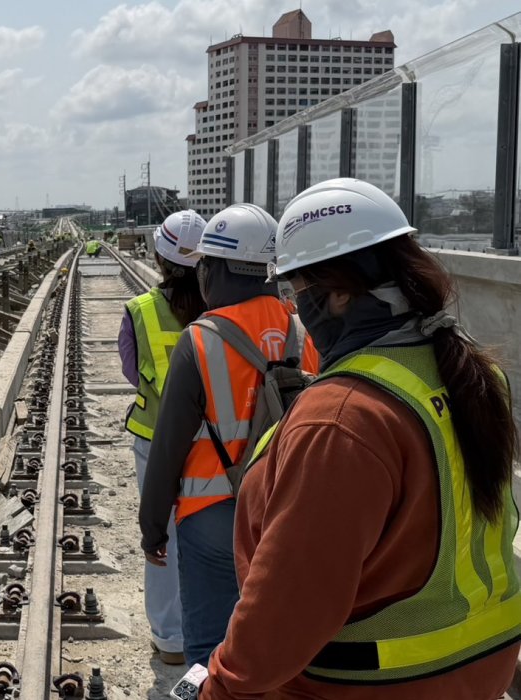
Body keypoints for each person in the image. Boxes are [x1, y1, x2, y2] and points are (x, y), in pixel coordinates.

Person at [201, 179, 521, 699]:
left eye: (295, 292)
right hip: (477, 668)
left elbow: (287, 611)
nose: (295, 308)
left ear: (339, 293)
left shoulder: (341, 420)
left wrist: (220, 687)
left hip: (373, 683)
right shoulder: (468, 373)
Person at [139, 203, 319, 667]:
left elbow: (168, 448)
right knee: (274, 637)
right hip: (285, 510)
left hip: (212, 515)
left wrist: (152, 527)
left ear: (214, 270)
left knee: (207, 645)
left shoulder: (200, 339)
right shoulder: (305, 332)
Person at [119, 210, 209, 666]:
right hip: (215, 441)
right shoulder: (222, 310)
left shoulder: (139, 311)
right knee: (214, 532)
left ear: (158, 257)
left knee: (163, 538)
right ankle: (214, 628)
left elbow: (133, 373)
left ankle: (170, 639)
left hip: (154, 440)